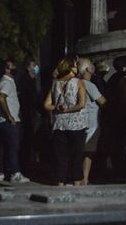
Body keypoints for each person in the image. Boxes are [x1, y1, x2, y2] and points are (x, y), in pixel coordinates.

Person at [44, 57, 88, 186]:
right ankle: (76, 184)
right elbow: (81, 104)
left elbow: (46, 105)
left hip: (59, 125)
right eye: (75, 65)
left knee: (60, 157)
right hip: (77, 125)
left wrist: (57, 108)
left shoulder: (55, 83)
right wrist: (68, 109)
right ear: (70, 68)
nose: (77, 67)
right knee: (76, 156)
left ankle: (60, 184)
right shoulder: (79, 82)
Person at [0, 59, 30, 183]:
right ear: (6, 69)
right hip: (10, 121)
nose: (15, 67)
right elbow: (1, 98)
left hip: (2, 121)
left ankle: (1, 172)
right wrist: (9, 116)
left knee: (3, 148)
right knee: (13, 147)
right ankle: (15, 173)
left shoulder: (6, 82)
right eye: (12, 66)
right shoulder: (7, 82)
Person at [78, 58, 107, 185]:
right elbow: (102, 101)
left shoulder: (75, 83)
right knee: (88, 152)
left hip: (78, 120)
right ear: (88, 69)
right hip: (91, 121)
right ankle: (84, 178)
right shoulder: (89, 84)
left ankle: (77, 176)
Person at [18, 58, 42, 177]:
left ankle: (26, 166)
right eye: (34, 65)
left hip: (31, 115)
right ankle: (22, 167)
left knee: (29, 142)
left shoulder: (32, 81)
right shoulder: (25, 81)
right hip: (26, 115)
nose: (36, 67)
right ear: (28, 68)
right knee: (25, 143)